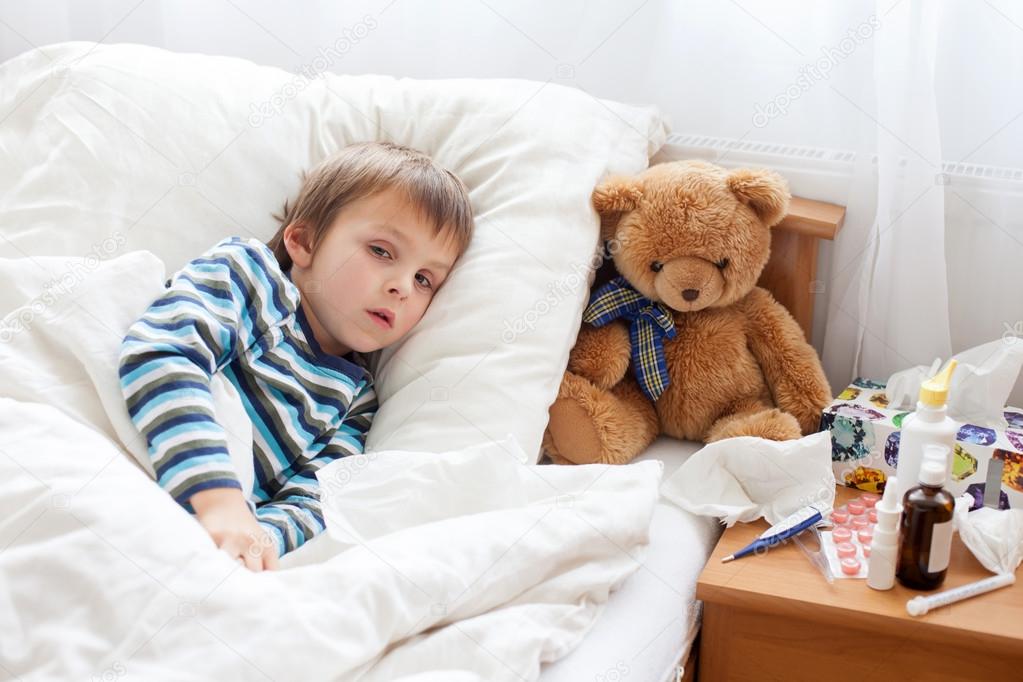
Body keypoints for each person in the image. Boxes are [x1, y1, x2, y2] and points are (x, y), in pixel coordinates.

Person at [118, 142, 473, 570]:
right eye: (381, 251)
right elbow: (164, 354)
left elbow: (314, 500)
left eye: (424, 279)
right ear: (304, 241)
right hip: (139, 457)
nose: (402, 285)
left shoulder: (355, 403)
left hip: (206, 537)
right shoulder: (248, 277)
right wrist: (217, 499)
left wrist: (255, 543)